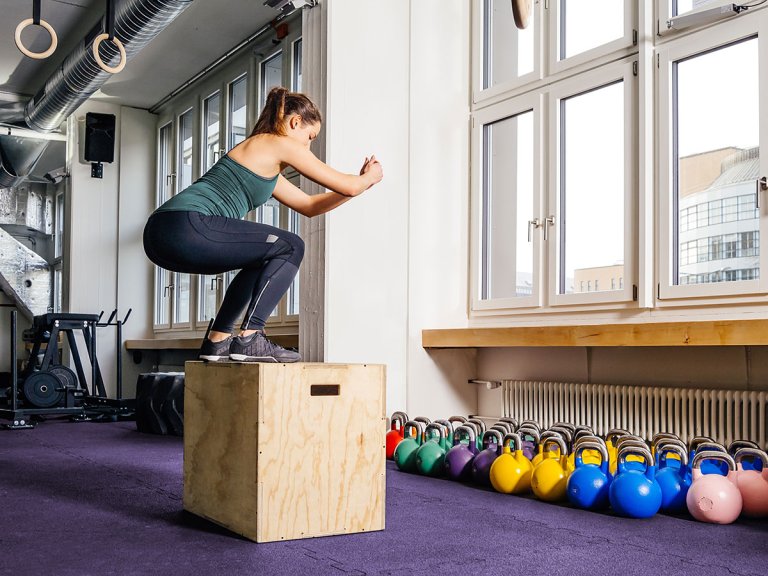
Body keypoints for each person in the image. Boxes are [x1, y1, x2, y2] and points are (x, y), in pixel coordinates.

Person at [143, 87, 383, 363]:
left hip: (163, 234)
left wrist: (360, 186)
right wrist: (368, 178)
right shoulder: (277, 143)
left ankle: (218, 340)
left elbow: (310, 206)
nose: (307, 146)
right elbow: (349, 185)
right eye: (310, 137)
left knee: (263, 257)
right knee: (291, 245)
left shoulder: (264, 159)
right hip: (185, 224)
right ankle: (250, 337)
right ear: (295, 123)